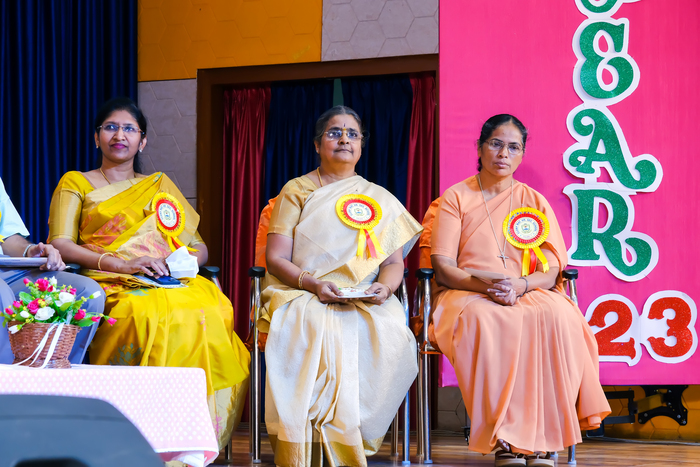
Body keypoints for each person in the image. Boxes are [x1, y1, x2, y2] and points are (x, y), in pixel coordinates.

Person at [47, 97, 250, 450]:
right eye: (111, 127)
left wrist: (175, 263)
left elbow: (198, 247)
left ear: (142, 141)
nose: (119, 135)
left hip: (164, 278)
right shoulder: (76, 182)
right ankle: (134, 432)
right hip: (108, 278)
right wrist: (119, 264)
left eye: (129, 129)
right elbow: (61, 243)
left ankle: (189, 436)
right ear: (96, 137)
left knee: (211, 308)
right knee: (144, 313)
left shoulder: (160, 187)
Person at [429, 114, 610, 466]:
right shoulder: (456, 198)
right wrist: (488, 288)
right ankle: (507, 439)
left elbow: (552, 269)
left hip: (526, 289)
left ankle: (545, 439)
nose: (503, 154)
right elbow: (444, 267)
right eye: (496, 144)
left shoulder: (533, 200)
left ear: (522, 154)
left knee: (561, 316)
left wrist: (521, 285)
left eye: (513, 147)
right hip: (467, 291)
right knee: (488, 319)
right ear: (480, 148)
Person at [261, 105, 422, 467]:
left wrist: (385, 289)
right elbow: (276, 258)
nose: (344, 139)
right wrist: (314, 284)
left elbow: (393, 264)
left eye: (353, 134)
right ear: (318, 144)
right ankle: (306, 444)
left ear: (362, 145)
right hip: (304, 292)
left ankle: (352, 437)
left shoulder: (379, 198)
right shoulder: (297, 190)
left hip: (367, 296)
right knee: (314, 327)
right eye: (335, 132)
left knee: (391, 333)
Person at [0, 178, 104, 364]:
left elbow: (7, 237)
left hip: (6, 268)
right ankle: (10, 380)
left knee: (87, 293)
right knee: (2, 294)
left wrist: (29, 251)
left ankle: (57, 376)